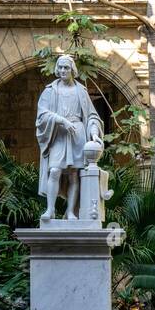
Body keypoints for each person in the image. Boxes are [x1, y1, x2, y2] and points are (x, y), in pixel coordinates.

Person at [36, 55, 103, 221]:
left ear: (72, 69)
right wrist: (61, 120)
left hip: (77, 133)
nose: (63, 71)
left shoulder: (81, 91)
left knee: (74, 174)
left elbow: (92, 116)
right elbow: (42, 114)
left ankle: (71, 211)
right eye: (60, 67)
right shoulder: (50, 90)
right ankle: (50, 210)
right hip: (58, 133)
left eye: (66, 67)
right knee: (54, 171)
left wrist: (94, 133)